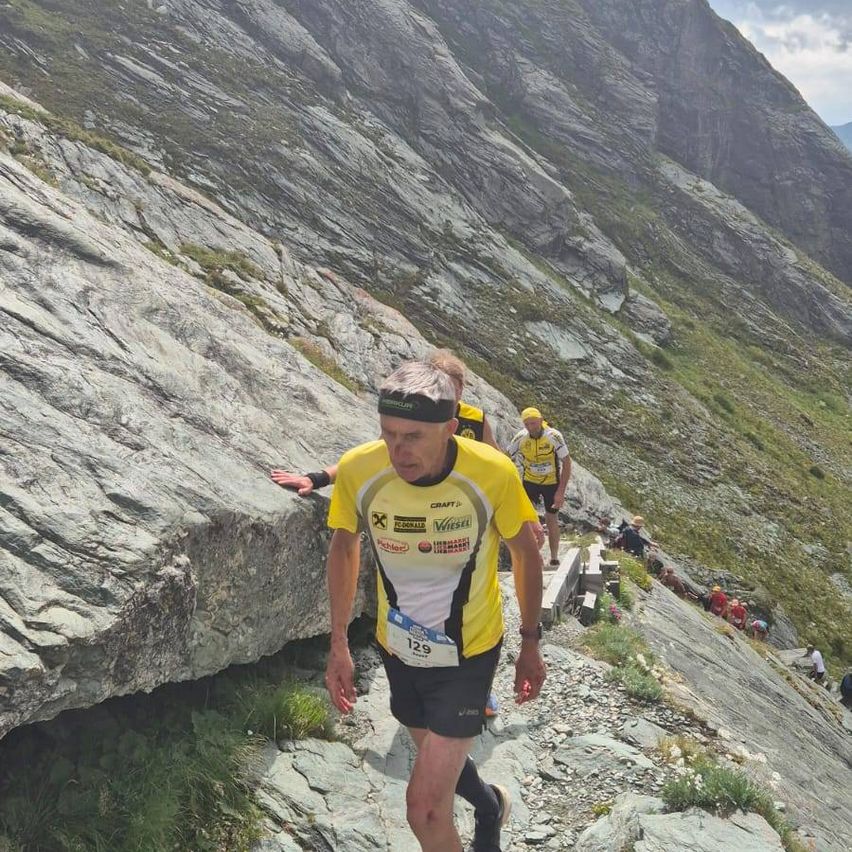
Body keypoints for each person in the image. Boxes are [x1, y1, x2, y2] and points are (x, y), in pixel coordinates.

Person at [323, 361, 546, 852]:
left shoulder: (491, 473)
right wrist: (338, 643)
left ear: (450, 428)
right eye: (388, 434)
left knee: (424, 807)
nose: (398, 451)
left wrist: (531, 644)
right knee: (435, 761)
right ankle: (490, 807)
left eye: (413, 437)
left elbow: (526, 553)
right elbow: (343, 547)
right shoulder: (361, 468)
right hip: (398, 650)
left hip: (469, 654)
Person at [270, 349, 499, 495]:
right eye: (440, 386)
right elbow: (371, 457)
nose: (447, 393)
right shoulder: (411, 419)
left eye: (454, 387)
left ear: (461, 388)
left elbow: (500, 465)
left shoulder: (475, 420)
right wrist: (316, 479)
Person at [506, 407, 571, 567]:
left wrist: (560, 492)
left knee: (551, 519)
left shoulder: (554, 436)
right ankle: (530, 554)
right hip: (530, 481)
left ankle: (554, 556)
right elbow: (507, 458)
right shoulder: (521, 437)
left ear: (541, 421)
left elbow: (567, 463)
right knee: (526, 518)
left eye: (534, 423)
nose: (531, 427)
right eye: (527, 424)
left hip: (551, 483)